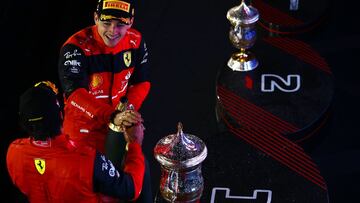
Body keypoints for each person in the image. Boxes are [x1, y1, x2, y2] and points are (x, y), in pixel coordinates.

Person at [6, 81, 146, 202]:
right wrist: (134, 144)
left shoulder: (13, 153)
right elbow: (132, 189)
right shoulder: (87, 160)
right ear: (61, 115)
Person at [58, 0, 151, 153]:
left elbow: (141, 82)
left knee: (124, 173)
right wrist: (113, 116)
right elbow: (74, 94)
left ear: (131, 22)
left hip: (117, 127)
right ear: (96, 18)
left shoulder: (136, 41)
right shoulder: (75, 46)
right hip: (83, 131)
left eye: (120, 24)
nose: (113, 31)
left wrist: (128, 112)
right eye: (106, 23)